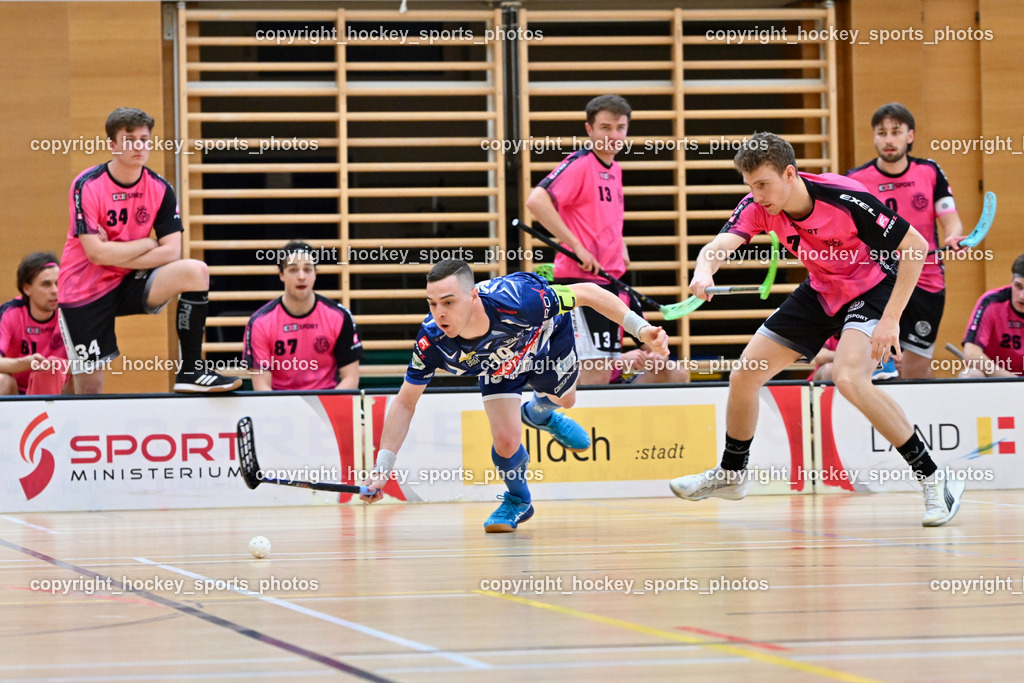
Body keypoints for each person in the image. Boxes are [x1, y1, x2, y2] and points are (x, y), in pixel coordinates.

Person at [669, 132, 965, 527]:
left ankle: (933, 477)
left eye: (763, 185)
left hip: (872, 287)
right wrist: (704, 271)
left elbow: (914, 247)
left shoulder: (844, 198)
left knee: (848, 378)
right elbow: (719, 245)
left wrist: (891, 319)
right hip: (823, 288)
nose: (757, 195)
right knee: (745, 374)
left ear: (789, 174)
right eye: (750, 186)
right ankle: (732, 473)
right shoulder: (759, 205)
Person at [358, 259, 668, 533]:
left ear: (473, 295)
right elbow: (405, 401)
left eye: (449, 302)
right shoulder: (432, 341)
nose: (439, 313)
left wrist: (641, 330)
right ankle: (519, 500)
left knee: (567, 400)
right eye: (432, 303)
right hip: (499, 366)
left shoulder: (521, 300)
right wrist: (382, 469)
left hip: (547, 342)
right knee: (505, 441)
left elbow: (587, 292)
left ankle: (539, 413)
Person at [57, 107, 240, 394]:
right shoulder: (87, 185)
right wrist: (146, 243)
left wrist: (115, 249)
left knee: (195, 271)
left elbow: (171, 252)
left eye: (144, 139)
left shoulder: (159, 188)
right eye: (129, 139)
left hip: (130, 280)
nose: (138, 146)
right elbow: (95, 255)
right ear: (112, 145)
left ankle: (190, 371)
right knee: (89, 391)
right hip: (84, 289)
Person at [847, 103, 965, 379]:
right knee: (872, 366)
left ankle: (912, 424)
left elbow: (950, 218)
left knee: (915, 371)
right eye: (882, 132)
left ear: (910, 136)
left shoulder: (930, 171)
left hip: (927, 278)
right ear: (874, 137)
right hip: (877, 280)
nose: (889, 139)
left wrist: (954, 235)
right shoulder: (855, 180)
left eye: (896, 132)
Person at [526, 94, 636, 386]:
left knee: (612, 369)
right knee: (593, 372)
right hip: (580, 283)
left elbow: (603, 216)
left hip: (610, 282)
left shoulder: (616, 170)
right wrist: (575, 246)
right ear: (589, 130)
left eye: (620, 128)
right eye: (605, 127)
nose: (613, 135)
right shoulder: (580, 163)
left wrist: (619, 244)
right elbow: (536, 201)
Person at [243, 241, 362, 390]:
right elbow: (262, 387)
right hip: (280, 403)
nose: (301, 276)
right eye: (293, 270)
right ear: (281, 275)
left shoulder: (339, 316)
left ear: (315, 274)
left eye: (307, 269)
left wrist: (325, 408)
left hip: (327, 403)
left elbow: (351, 379)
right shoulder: (260, 323)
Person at [0, 253, 69, 395]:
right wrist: (27, 363)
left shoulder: (71, 313)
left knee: (80, 376)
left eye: (58, 283)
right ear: (27, 289)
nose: (55, 291)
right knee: (3, 380)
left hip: (58, 392)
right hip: (16, 394)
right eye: (46, 284)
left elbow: (88, 364)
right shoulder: (10, 312)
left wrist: (57, 367)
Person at [958, 253, 1024, 378]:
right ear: (1011, 281)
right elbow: (971, 354)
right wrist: (1013, 382)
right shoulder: (991, 301)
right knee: (970, 375)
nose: (1022, 296)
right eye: (1018, 286)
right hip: (996, 377)